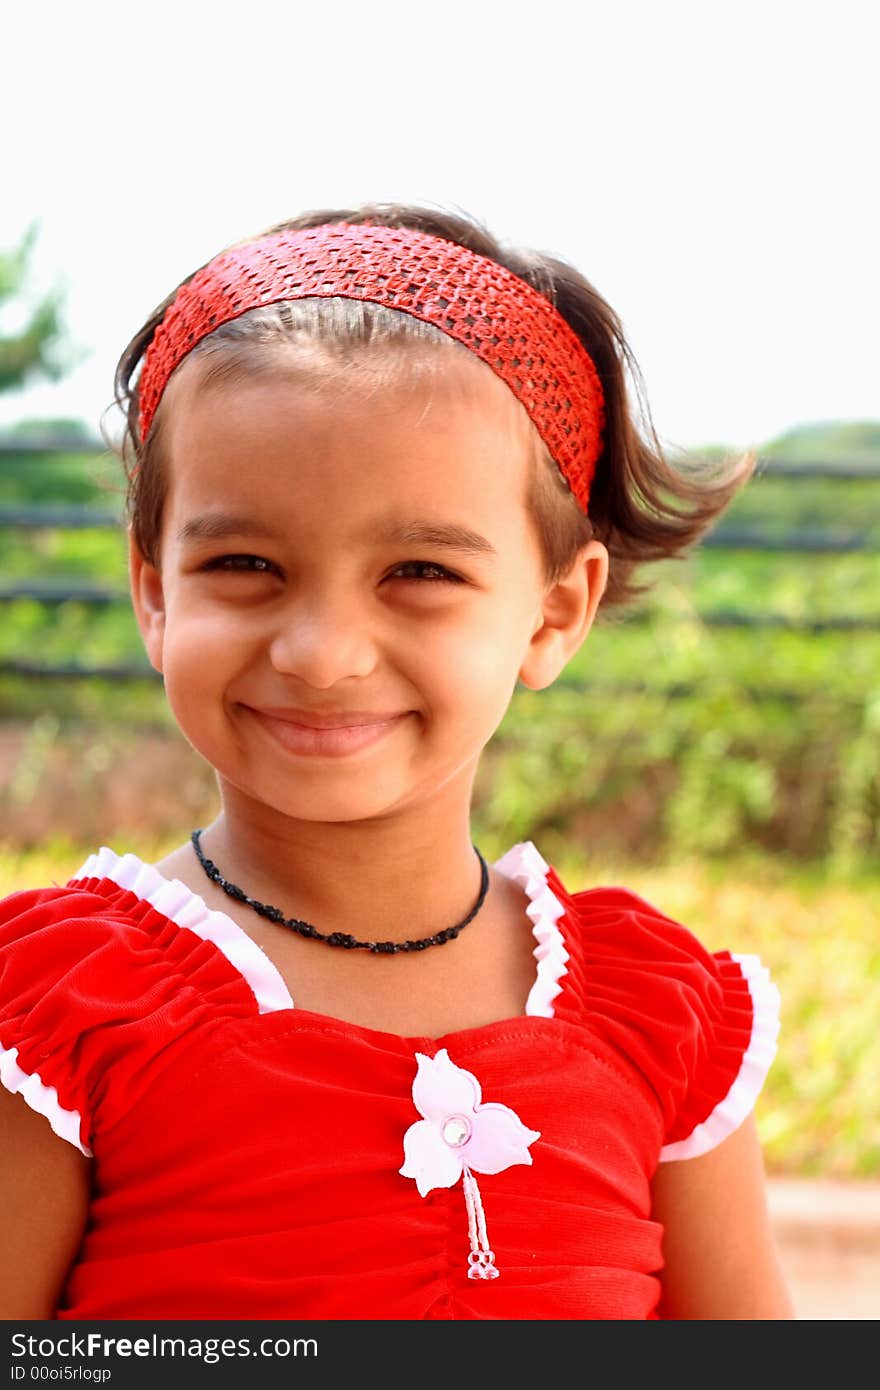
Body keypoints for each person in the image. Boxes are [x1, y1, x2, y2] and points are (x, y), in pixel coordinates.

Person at [0, 206, 793, 1321]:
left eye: (418, 570)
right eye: (244, 563)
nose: (321, 652)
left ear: (554, 615)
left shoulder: (657, 1019)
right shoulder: (60, 1015)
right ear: (153, 591)